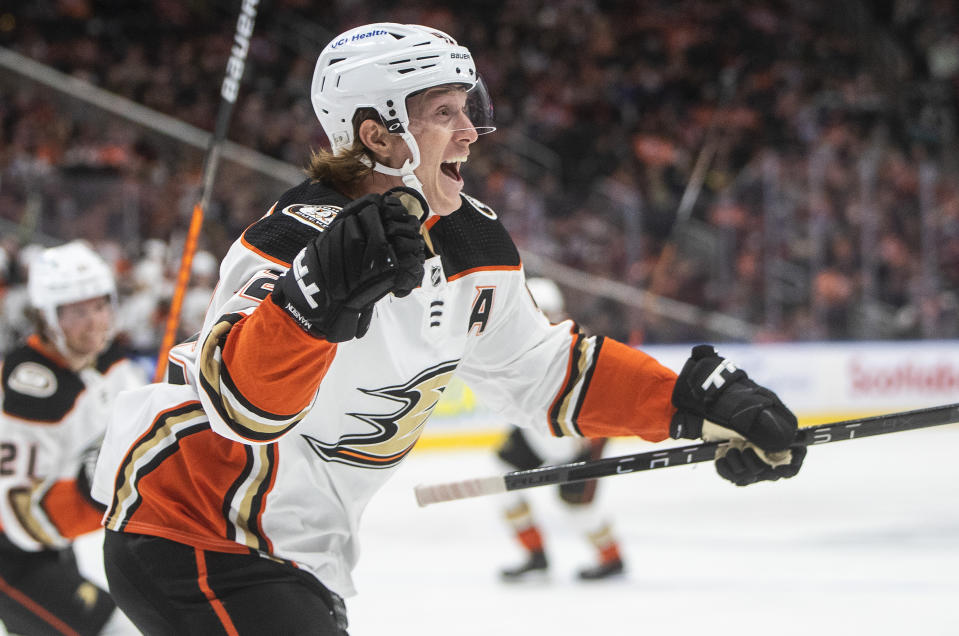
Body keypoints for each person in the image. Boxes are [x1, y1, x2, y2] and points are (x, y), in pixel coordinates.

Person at [92, 22, 806, 635]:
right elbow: (239, 408)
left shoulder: (473, 241)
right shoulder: (293, 237)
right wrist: (310, 306)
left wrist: (698, 405)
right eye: (443, 113)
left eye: (468, 109)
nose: (471, 130)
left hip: (296, 545)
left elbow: (542, 369)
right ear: (376, 133)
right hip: (192, 525)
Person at [0, 241, 144, 635]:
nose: (95, 322)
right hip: (13, 555)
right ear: (47, 318)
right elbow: (21, 518)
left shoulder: (109, 358)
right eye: (78, 312)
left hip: (52, 546)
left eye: (100, 306)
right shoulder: (32, 390)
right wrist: (99, 491)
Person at [495, 277, 624, 581]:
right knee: (503, 481)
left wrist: (589, 436)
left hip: (577, 437)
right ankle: (535, 555)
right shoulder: (514, 340)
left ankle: (612, 558)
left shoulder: (577, 344)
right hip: (537, 429)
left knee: (575, 509)